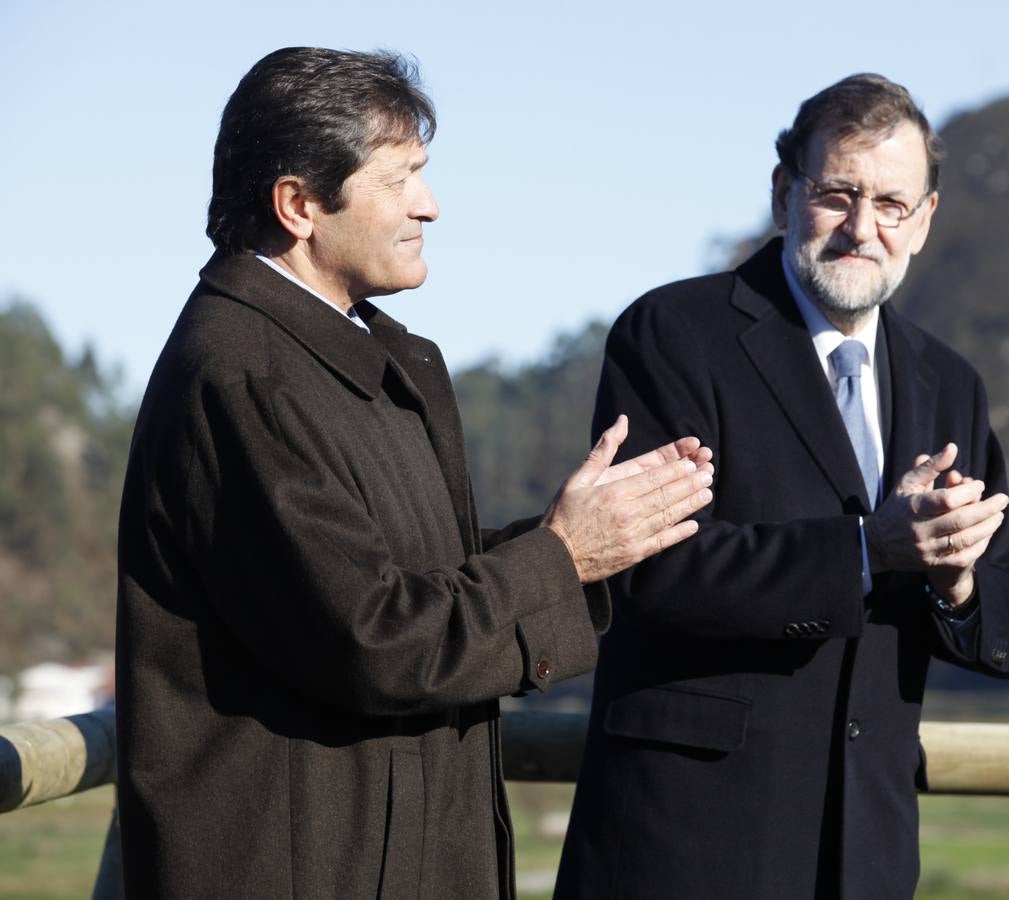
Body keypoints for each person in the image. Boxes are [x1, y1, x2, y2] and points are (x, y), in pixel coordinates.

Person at [114, 47, 713, 900]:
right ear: (298, 205)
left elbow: (420, 581)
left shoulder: (370, 359)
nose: (429, 205)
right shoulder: (243, 378)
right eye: (399, 180)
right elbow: (376, 639)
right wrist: (561, 557)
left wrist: (594, 538)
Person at [555, 73, 1009, 900]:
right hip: (688, 848)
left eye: (891, 204)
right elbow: (650, 569)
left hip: (865, 856)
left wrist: (957, 582)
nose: (862, 228)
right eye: (837, 194)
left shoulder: (948, 382)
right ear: (784, 192)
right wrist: (867, 550)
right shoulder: (673, 334)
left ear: (924, 220)